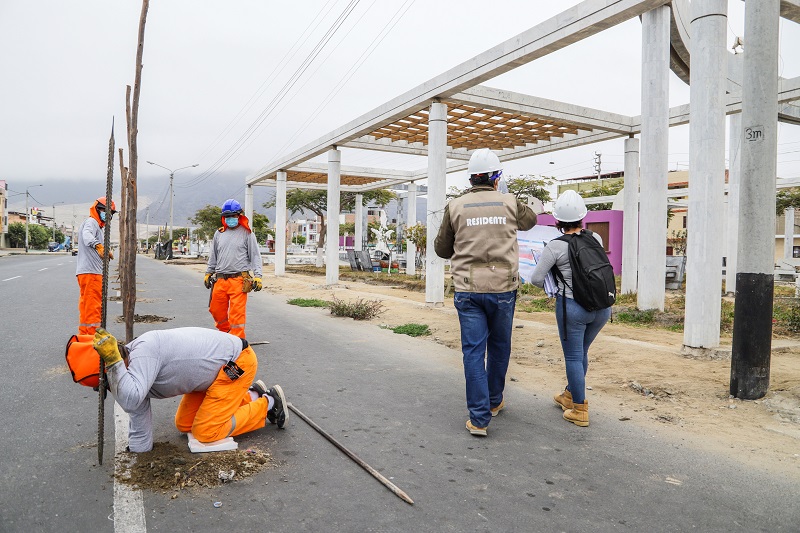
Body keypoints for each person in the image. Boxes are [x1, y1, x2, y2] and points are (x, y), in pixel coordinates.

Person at [434, 148, 537, 437]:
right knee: (500, 347)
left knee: (473, 352)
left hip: (468, 289)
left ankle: (479, 420)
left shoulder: (456, 206)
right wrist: (506, 195)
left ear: (470, 178)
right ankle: (493, 402)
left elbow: (442, 249)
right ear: (496, 178)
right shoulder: (509, 202)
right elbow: (531, 221)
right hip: (504, 288)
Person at [91, 326, 287, 452]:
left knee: (206, 432)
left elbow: (131, 400)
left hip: (236, 363)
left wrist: (114, 367)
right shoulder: (132, 371)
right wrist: (138, 451)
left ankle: (269, 402)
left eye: (114, 381)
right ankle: (251, 394)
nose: (117, 387)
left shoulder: (143, 357)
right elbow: (137, 410)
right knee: (184, 425)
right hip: (210, 378)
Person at [529, 190, 611, 427]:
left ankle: (580, 409)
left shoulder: (555, 247)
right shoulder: (595, 238)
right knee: (581, 353)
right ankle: (569, 395)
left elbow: (536, 279)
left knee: (574, 356)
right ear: (582, 217)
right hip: (602, 308)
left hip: (573, 308)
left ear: (557, 221)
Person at [204, 199, 264, 338]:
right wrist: (208, 273)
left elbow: (255, 256)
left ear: (239, 216)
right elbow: (214, 255)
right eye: (227, 216)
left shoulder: (247, 233)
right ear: (223, 217)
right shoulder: (219, 233)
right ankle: (226, 334)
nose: (230, 219)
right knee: (216, 310)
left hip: (239, 280)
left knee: (236, 315)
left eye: (233, 216)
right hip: (220, 280)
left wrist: (258, 276)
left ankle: (237, 341)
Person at [75, 196, 116, 335]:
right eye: (106, 211)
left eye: (110, 213)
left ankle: (84, 336)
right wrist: (99, 246)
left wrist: (104, 250)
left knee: (86, 306)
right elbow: (87, 236)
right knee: (93, 307)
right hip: (91, 273)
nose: (108, 215)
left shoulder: (96, 225)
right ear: (97, 209)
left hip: (86, 272)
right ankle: (93, 338)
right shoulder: (92, 222)